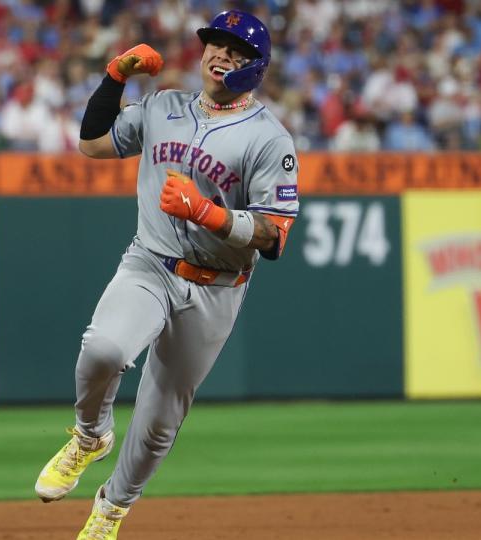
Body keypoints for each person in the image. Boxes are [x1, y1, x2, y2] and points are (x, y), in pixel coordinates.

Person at [34, 11, 298, 539]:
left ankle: (111, 509)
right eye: (215, 45)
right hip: (150, 262)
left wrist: (208, 213)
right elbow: (92, 143)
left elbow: (275, 234)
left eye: (235, 50)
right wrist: (114, 78)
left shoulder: (270, 138)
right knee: (105, 349)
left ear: (256, 66)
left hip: (216, 287)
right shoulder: (163, 106)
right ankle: (90, 436)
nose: (220, 55)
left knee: (158, 424)